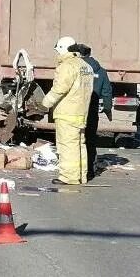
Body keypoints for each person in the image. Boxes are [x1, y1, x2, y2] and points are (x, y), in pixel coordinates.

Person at [41, 35, 95, 185]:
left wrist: (45, 103)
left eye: (58, 51)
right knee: (79, 145)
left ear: (63, 49)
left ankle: (69, 177)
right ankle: (81, 176)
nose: (58, 55)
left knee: (67, 146)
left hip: (67, 113)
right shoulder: (86, 66)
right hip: (81, 112)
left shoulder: (67, 66)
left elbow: (59, 89)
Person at [73, 43, 112, 179]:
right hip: (92, 111)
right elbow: (107, 92)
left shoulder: (75, 68)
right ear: (90, 54)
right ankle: (89, 170)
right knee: (90, 140)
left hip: (75, 110)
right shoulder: (100, 71)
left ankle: (75, 170)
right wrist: (107, 109)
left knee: (74, 140)